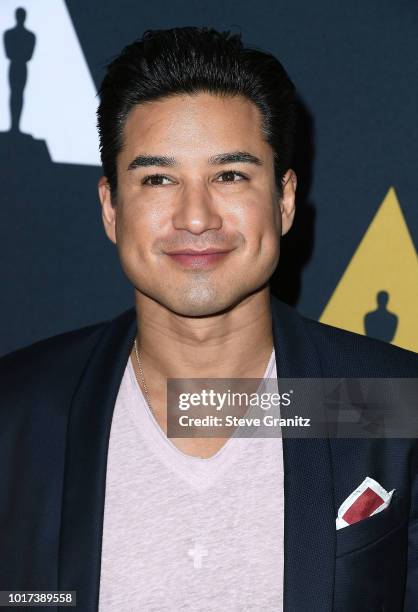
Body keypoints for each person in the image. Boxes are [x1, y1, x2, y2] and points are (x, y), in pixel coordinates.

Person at [0, 26, 417, 612]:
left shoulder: (392, 403)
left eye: (230, 175)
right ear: (110, 208)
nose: (195, 217)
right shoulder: (17, 412)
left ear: (285, 200)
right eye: (158, 179)